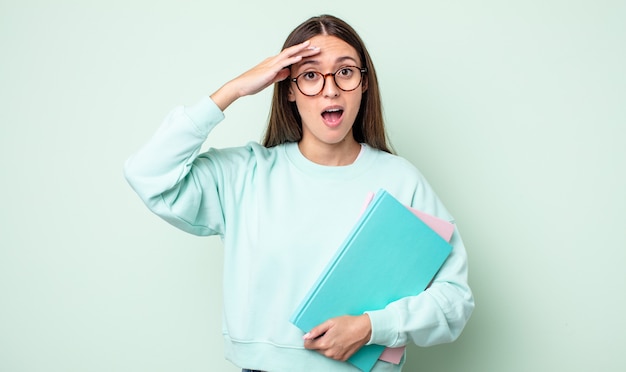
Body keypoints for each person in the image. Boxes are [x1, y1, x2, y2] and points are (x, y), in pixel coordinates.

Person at [124, 14, 474, 372]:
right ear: (288, 88)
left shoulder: (402, 180)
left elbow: (455, 299)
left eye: (345, 71)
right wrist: (233, 90)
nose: (330, 89)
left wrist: (372, 327)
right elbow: (148, 173)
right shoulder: (246, 174)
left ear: (364, 84)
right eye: (309, 75)